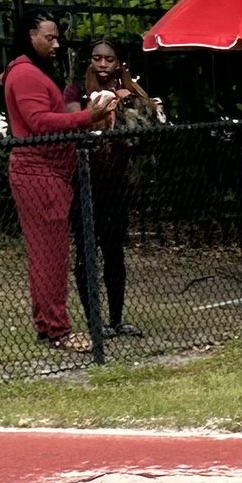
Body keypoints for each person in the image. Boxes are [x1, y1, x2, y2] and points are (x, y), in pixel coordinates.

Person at [0, 9, 115, 350]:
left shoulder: (28, 72)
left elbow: (46, 117)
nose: (56, 43)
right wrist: (86, 116)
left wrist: (85, 117)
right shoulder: (24, 75)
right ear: (30, 36)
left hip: (47, 172)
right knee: (50, 255)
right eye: (49, 37)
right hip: (39, 172)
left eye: (56, 37)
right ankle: (57, 329)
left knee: (48, 253)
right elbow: (39, 122)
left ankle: (49, 325)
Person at [73, 35, 162, 339]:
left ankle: (115, 319)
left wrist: (125, 104)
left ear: (119, 62)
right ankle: (93, 322)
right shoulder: (77, 90)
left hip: (118, 183)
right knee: (86, 254)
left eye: (108, 59)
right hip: (84, 182)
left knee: (114, 253)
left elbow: (146, 135)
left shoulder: (131, 93)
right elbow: (71, 124)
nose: (102, 64)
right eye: (97, 58)